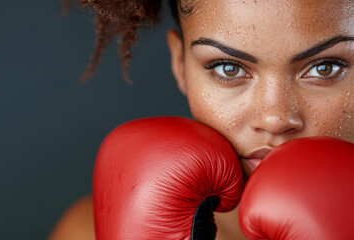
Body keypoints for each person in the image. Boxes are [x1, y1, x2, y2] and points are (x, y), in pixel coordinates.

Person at [49, 0, 354, 239]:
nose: (274, 119)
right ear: (180, 64)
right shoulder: (86, 232)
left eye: (325, 68)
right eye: (228, 69)